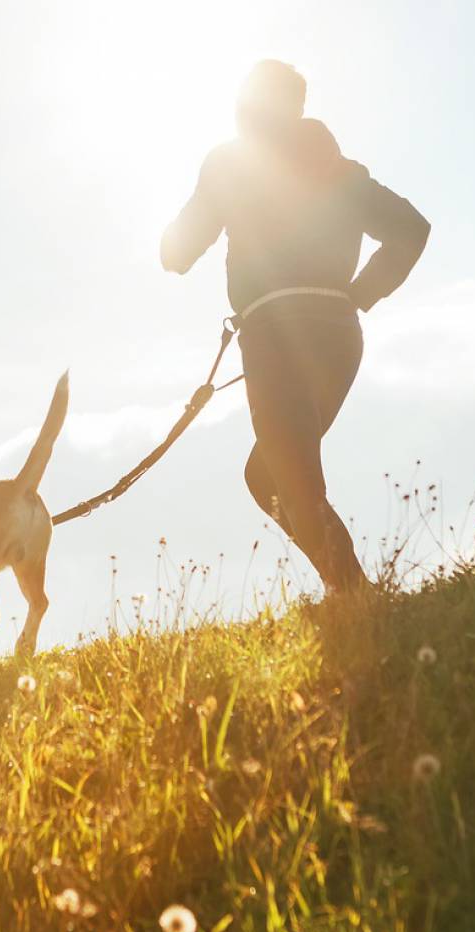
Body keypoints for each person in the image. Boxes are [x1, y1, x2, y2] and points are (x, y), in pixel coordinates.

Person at [161, 60, 428, 594]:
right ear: (299, 106)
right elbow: (412, 229)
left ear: (245, 104)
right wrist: (360, 293)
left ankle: (356, 599)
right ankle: (349, 592)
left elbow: (177, 252)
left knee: (290, 474)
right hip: (337, 331)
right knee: (270, 475)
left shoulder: (231, 163)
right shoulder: (341, 170)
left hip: (277, 332)